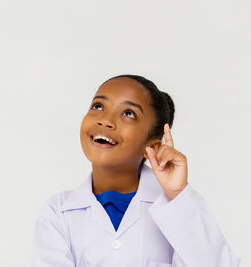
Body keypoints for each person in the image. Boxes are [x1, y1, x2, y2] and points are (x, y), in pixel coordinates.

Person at [30, 74, 241, 267]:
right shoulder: (58, 213)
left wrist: (177, 196)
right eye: (98, 106)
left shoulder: (179, 207)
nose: (106, 120)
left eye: (128, 113)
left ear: (153, 145)